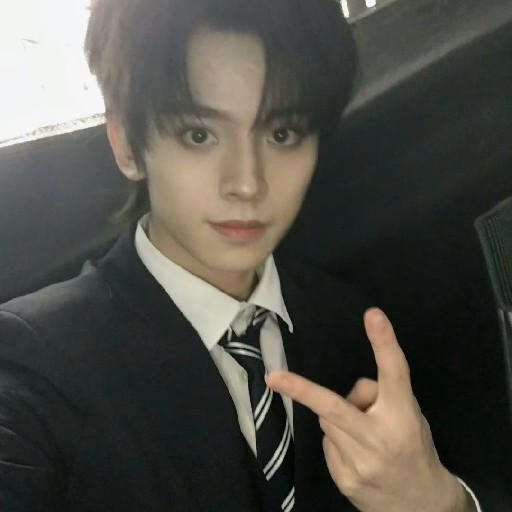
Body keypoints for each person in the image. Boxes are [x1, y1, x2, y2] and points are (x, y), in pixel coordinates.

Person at [0, 0, 501, 510]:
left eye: (282, 133)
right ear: (127, 144)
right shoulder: (34, 361)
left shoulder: (355, 328)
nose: (247, 182)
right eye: (199, 135)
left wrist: (437, 502)